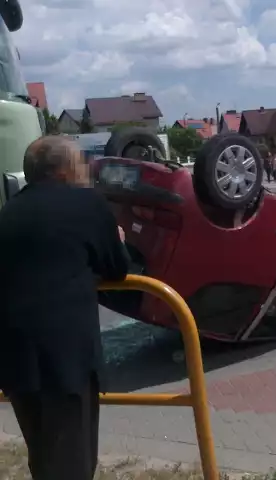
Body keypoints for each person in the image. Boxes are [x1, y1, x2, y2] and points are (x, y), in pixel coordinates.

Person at [0, 136, 130, 480]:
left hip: (15, 359)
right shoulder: (87, 203)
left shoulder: (7, 212)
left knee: (43, 457)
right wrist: (116, 240)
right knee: (73, 464)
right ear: (65, 168)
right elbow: (118, 268)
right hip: (65, 360)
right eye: (81, 161)